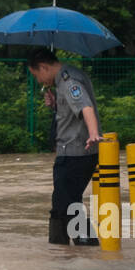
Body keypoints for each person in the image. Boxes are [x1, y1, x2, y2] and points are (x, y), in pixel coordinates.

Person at [27, 47, 102, 246]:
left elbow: (85, 106)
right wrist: (55, 105)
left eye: (36, 75)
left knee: (67, 205)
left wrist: (94, 134)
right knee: (62, 205)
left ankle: (87, 246)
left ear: (43, 67)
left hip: (76, 152)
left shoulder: (69, 81)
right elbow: (71, 112)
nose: (39, 81)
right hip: (70, 151)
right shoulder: (62, 81)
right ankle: (61, 252)